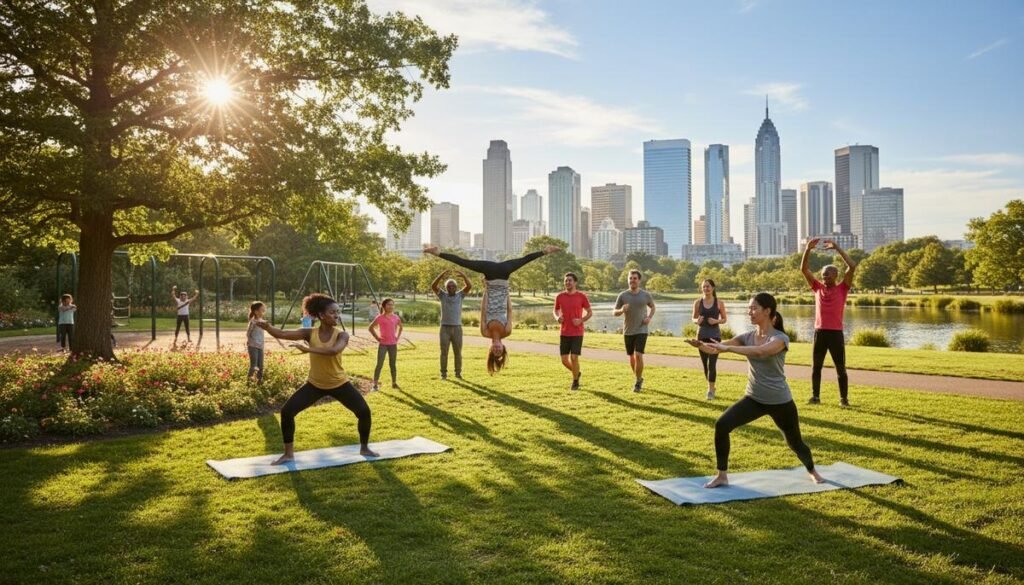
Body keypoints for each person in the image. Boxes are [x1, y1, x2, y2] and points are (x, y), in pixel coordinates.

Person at [687, 292, 824, 489]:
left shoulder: (780, 338)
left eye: (753, 308)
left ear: (767, 311)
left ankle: (812, 470)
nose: (749, 312)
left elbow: (761, 352)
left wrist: (728, 349)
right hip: (754, 398)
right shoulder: (747, 336)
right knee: (722, 425)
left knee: (795, 443)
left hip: (780, 401)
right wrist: (701, 345)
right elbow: (716, 348)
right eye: (749, 308)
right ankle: (722, 475)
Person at [256, 293, 377, 464]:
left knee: (363, 412)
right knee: (287, 412)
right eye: (333, 312)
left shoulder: (342, 335)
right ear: (321, 315)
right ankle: (288, 454)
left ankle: (364, 447)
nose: (337, 315)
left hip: (339, 383)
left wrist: (308, 350)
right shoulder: (309, 333)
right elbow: (282, 333)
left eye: (338, 312)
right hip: (315, 384)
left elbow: (334, 351)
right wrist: (268, 327)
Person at [424, 244, 561, 374]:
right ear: (503, 348)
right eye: (499, 351)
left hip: (490, 275)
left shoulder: (485, 332)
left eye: (494, 351)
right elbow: (509, 311)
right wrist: (506, 292)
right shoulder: (507, 331)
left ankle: (437, 252)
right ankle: (546, 250)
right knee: (524, 260)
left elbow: (483, 312)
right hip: (503, 277)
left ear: (490, 349)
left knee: (465, 262)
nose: (497, 349)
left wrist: (486, 289)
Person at [801, 238, 857, 406]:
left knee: (840, 367)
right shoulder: (817, 287)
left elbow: (852, 266)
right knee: (816, 367)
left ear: (835, 276)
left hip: (835, 334)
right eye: (823, 274)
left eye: (828, 274)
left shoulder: (843, 288)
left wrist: (837, 248)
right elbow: (803, 269)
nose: (824, 276)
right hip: (820, 332)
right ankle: (815, 397)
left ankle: (844, 399)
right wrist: (808, 249)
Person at [613, 269, 656, 392]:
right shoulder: (622, 296)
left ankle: (637, 382)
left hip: (641, 329)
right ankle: (639, 377)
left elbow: (652, 307)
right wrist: (621, 310)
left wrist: (649, 317)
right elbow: (614, 312)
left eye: (634, 278)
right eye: (630, 278)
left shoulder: (645, 295)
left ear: (639, 280)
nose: (632, 280)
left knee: (638, 355)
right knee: (631, 357)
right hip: (628, 330)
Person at [553, 272, 592, 391]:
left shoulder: (582, 296)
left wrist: (581, 320)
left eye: (570, 280)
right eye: (566, 281)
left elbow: (590, 312)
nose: (567, 282)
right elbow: (555, 311)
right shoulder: (560, 296)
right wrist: (557, 318)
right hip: (564, 332)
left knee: (574, 357)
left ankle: (575, 381)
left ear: (575, 282)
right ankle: (577, 373)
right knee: (564, 360)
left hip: (577, 332)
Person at [431, 269, 471, 380]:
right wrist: (441, 275)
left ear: (456, 287)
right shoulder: (442, 295)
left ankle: (458, 373)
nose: (451, 287)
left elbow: (469, 286)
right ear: (446, 287)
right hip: (444, 328)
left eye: (453, 286)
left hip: (457, 328)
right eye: (449, 286)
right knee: (444, 352)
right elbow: (433, 286)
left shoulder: (460, 295)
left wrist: (463, 275)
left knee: (458, 352)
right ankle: (443, 374)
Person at [692, 279, 728, 400]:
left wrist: (716, 321)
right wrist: (697, 321)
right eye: (704, 287)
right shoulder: (697, 302)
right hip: (701, 336)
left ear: (713, 288)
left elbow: (724, 319)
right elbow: (693, 318)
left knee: (711, 364)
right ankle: (711, 386)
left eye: (708, 287)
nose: (706, 289)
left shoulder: (719, 303)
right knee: (705, 365)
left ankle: (710, 390)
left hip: (715, 336)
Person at [369, 298, 403, 391]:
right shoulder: (379, 317)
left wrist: (397, 337)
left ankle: (394, 383)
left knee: (392, 364)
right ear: (384, 306)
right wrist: (377, 338)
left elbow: (401, 327)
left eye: (392, 304)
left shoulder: (396, 317)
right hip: (383, 344)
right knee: (379, 364)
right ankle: (375, 385)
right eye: (389, 304)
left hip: (393, 344)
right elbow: (370, 328)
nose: (391, 306)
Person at [246, 301, 267, 383]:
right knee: (254, 365)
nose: (263, 312)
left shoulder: (262, 321)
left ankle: (259, 381)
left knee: (260, 366)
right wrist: (251, 342)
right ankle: (249, 381)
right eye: (262, 310)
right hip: (253, 346)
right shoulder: (253, 322)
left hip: (260, 346)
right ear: (256, 311)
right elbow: (248, 333)